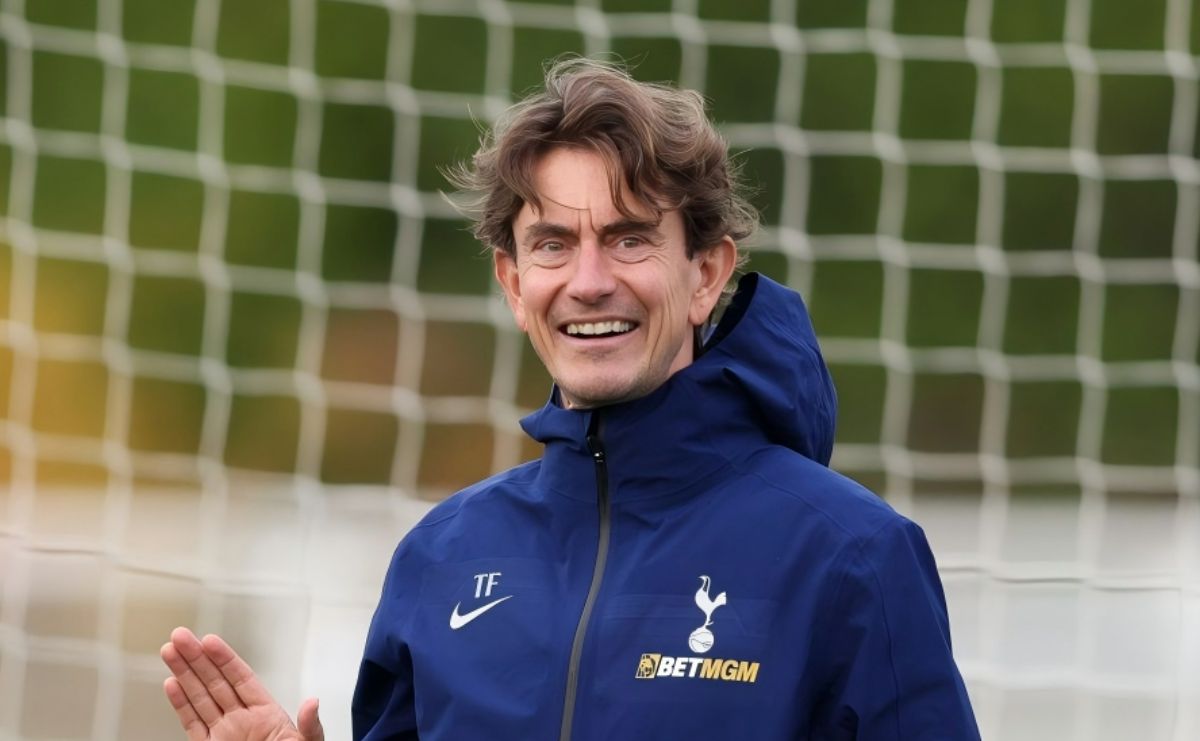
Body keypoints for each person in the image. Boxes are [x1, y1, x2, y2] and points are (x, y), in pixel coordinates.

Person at [162, 58, 980, 740]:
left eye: (629, 238)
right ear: (514, 284)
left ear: (706, 273)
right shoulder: (440, 558)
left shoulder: (851, 554)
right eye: (553, 244)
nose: (589, 282)